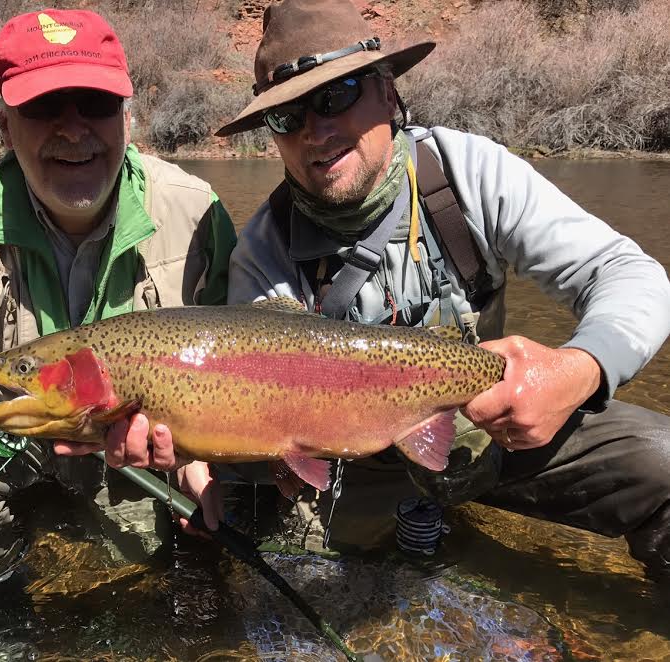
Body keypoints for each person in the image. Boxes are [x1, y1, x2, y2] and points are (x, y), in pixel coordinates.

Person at [174, 0, 670, 589]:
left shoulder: (468, 172)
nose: (315, 129)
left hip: (499, 425)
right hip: (361, 460)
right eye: (285, 116)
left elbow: (628, 275)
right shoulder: (260, 252)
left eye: (336, 95)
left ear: (387, 93)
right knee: (307, 574)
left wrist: (578, 370)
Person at [0, 8, 235, 582]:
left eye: (95, 104)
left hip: (127, 443)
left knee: (147, 564)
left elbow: (239, 356)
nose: (72, 129)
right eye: (42, 107)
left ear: (126, 117)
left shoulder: (197, 214)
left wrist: (200, 452)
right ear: (3, 124)